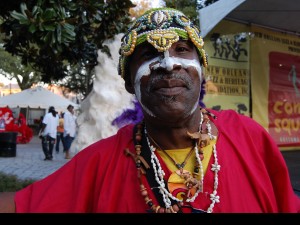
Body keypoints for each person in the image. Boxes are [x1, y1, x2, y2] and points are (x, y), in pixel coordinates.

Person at [0, 8, 299, 213]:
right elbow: (23, 204)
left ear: (202, 71)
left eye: (182, 50)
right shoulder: (101, 160)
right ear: (130, 82)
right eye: (148, 54)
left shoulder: (250, 138)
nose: (168, 64)